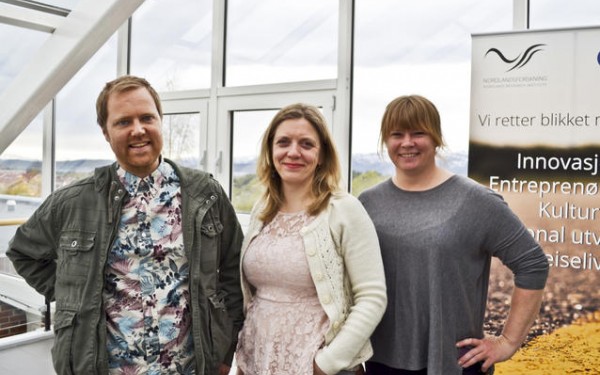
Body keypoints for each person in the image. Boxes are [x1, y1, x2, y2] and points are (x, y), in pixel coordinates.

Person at [6, 75, 244, 375]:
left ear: (160, 121)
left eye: (147, 117)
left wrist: (226, 351)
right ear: (106, 132)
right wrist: (75, 296)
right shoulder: (73, 202)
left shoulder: (205, 195)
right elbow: (23, 253)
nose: (138, 130)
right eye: (123, 122)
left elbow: (234, 271)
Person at [358, 95, 549, 375]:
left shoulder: (475, 200)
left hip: (454, 364)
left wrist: (507, 342)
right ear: (386, 141)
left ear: (436, 138)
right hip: (381, 363)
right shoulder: (367, 203)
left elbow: (533, 264)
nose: (407, 143)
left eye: (418, 133)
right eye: (396, 134)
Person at [234, 103, 387, 375]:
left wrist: (324, 364)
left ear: (322, 155)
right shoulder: (262, 209)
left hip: (320, 367)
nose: (293, 152)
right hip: (259, 362)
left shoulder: (343, 210)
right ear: (271, 150)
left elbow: (372, 297)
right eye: (283, 142)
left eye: (306, 144)